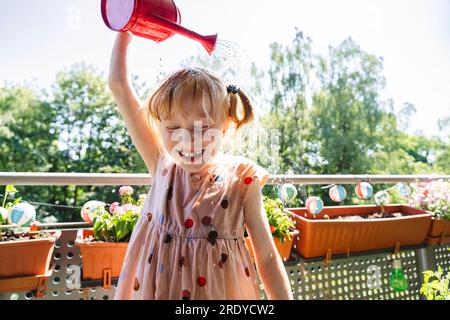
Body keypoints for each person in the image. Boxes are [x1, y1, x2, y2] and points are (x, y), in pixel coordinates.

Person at [109, 32, 293, 300]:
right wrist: (125, 29)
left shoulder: (243, 180)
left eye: (204, 127)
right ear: (159, 127)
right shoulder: (161, 164)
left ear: (226, 125)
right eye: (173, 127)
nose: (188, 139)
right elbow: (118, 85)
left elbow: (266, 257)